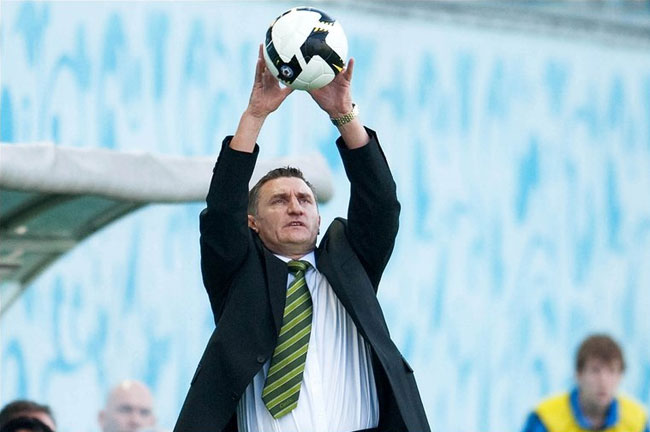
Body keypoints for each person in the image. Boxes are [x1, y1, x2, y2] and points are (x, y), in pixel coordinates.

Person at [173, 45, 430, 432]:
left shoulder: (350, 262)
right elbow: (222, 211)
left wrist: (343, 113)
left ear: (319, 217)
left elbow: (380, 202)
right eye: (279, 200)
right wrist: (255, 116)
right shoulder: (239, 275)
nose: (295, 207)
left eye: (305, 200)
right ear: (252, 223)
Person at [522, 334, 649, 432]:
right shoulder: (547, 420)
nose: (603, 381)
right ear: (578, 374)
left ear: (621, 376)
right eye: (595, 371)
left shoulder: (637, 423)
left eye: (612, 371)